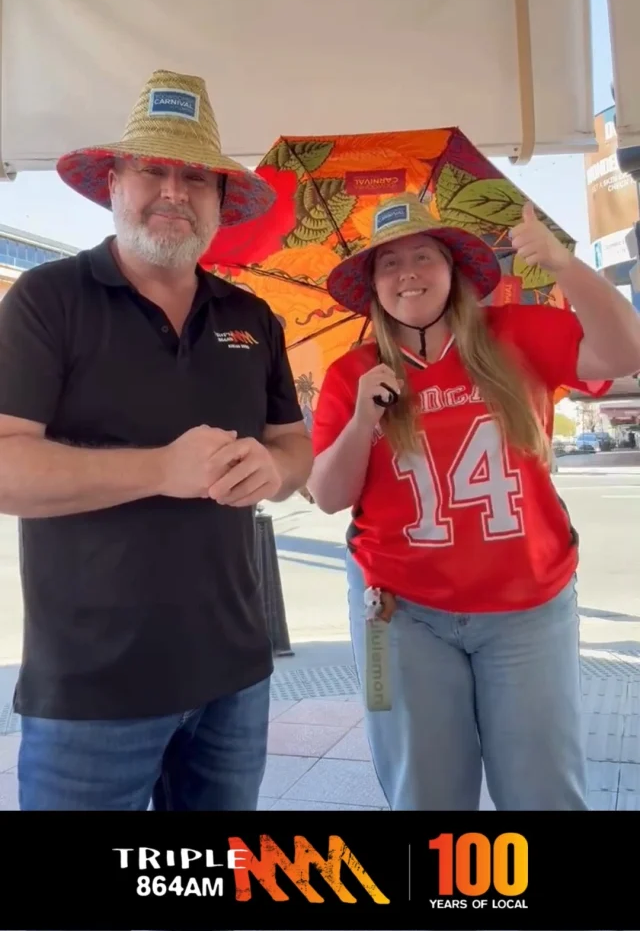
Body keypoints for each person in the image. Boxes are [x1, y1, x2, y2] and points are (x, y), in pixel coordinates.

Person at [0, 69, 312, 811]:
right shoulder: (47, 299)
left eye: (196, 178)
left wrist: (272, 469)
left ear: (219, 202)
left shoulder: (252, 317)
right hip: (91, 690)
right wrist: (161, 470)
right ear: (114, 183)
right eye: (153, 170)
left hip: (235, 675)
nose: (174, 191)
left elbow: (295, 448)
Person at [308, 191, 640, 810]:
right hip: (397, 615)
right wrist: (360, 422)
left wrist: (564, 265)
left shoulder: (515, 334)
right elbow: (328, 497)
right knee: (424, 794)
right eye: (388, 263)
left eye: (424, 256)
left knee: (544, 791)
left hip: (528, 606)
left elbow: (627, 351)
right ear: (373, 286)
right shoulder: (351, 374)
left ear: (453, 269)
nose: (407, 273)